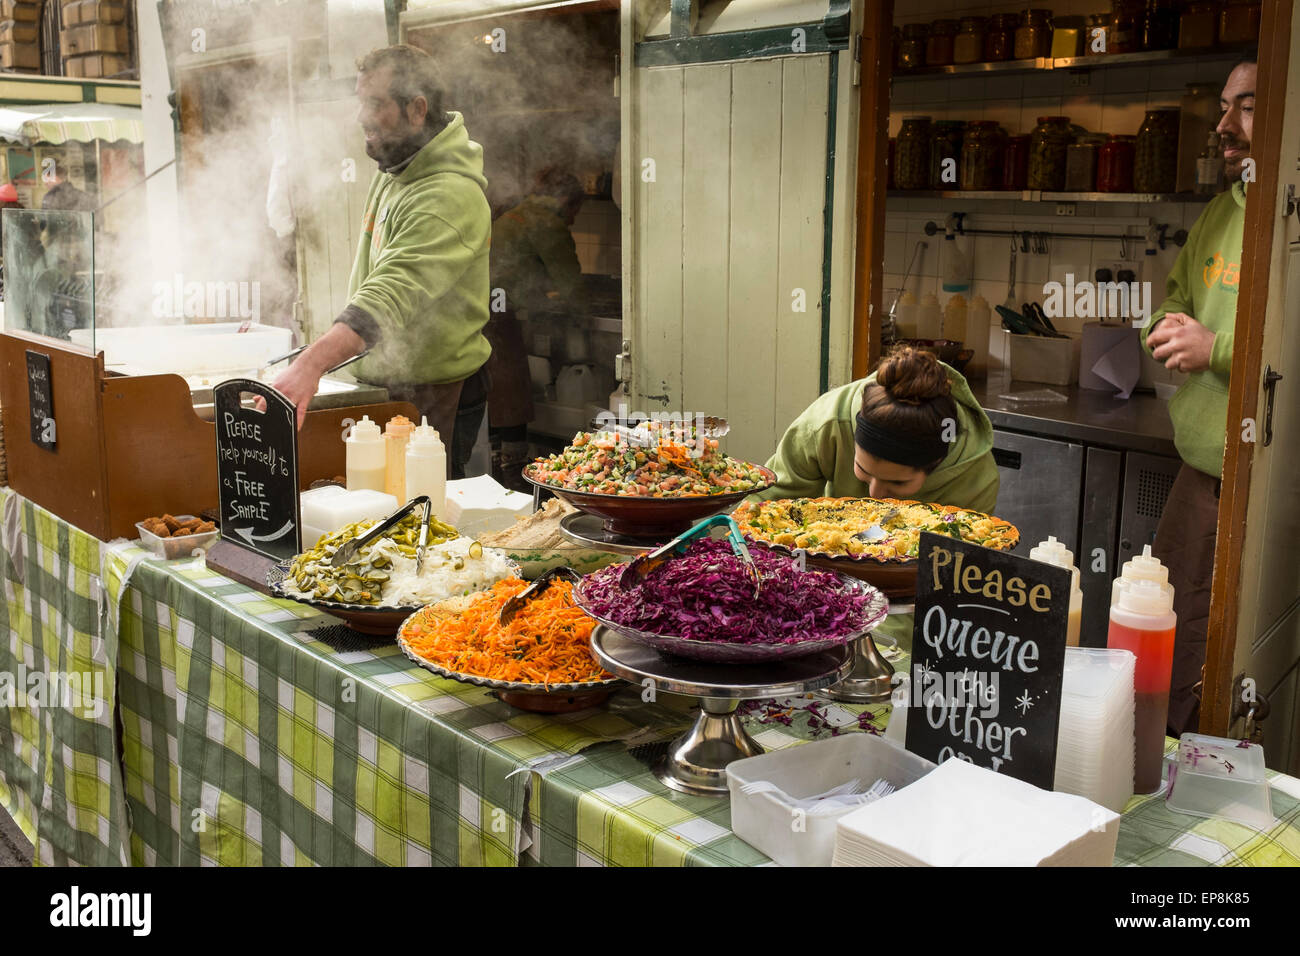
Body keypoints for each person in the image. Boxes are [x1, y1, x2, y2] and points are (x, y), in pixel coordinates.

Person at [271, 44, 491, 478]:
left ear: (417, 109)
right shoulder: (398, 170)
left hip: (434, 394)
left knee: (427, 517)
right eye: (360, 101)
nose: (361, 117)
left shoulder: (448, 195)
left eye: (375, 103)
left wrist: (312, 364)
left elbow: (388, 293)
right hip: (390, 384)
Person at [1140, 50, 1255, 736]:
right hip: (1198, 471)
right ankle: (1161, 767)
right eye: (1224, 106)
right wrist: (1168, 327)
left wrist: (1216, 350)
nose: (1224, 123)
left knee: (1229, 648)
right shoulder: (1222, 209)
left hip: (1256, 481)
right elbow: (1176, 299)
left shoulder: (1282, 219)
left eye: (1245, 106)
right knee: (1168, 625)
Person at [754, 346, 999, 513]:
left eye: (897, 483)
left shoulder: (975, 480)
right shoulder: (824, 426)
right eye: (862, 470)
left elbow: (955, 569)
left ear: (936, 463)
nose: (874, 493)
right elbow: (766, 505)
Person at [486, 167, 588, 489]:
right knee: (511, 392)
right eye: (574, 211)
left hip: (483, 306)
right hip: (500, 314)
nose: (572, 220)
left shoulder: (517, 213)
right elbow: (570, 284)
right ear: (565, 201)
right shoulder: (547, 222)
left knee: (495, 391)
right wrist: (581, 314)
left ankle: (496, 468)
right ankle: (515, 479)